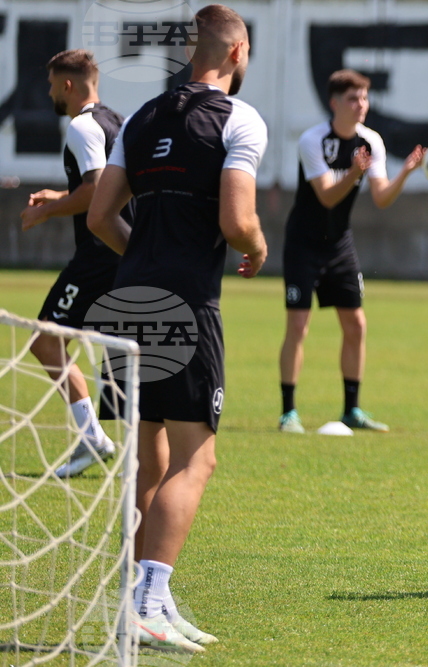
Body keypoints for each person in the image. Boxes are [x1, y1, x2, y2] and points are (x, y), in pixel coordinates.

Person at [88, 4, 268, 650]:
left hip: (126, 301)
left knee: (151, 451)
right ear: (238, 53)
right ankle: (147, 597)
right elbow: (235, 218)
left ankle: (142, 602)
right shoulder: (239, 119)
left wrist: (144, 259)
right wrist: (258, 246)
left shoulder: (139, 117)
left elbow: (101, 217)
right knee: (198, 456)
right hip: (189, 304)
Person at [277, 69, 425, 434]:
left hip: (339, 244)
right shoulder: (313, 140)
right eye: (353, 99)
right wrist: (354, 174)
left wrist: (404, 173)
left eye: (364, 98)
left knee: (356, 324)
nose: (362, 105)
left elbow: (381, 198)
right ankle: (288, 413)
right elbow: (327, 195)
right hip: (303, 243)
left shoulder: (370, 141)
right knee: (299, 325)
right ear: (334, 103)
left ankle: (352, 410)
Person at [19, 50, 132, 478]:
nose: (50, 92)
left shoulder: (82, 126)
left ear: (68, 85)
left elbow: (96, 189)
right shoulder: (118, 122)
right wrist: (58, 196)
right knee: (119, 354)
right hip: (127, 249)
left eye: (52, 84)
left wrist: (45, 212)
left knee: (46, 342)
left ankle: (93, 440)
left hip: (99, 255)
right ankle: (127, 452)